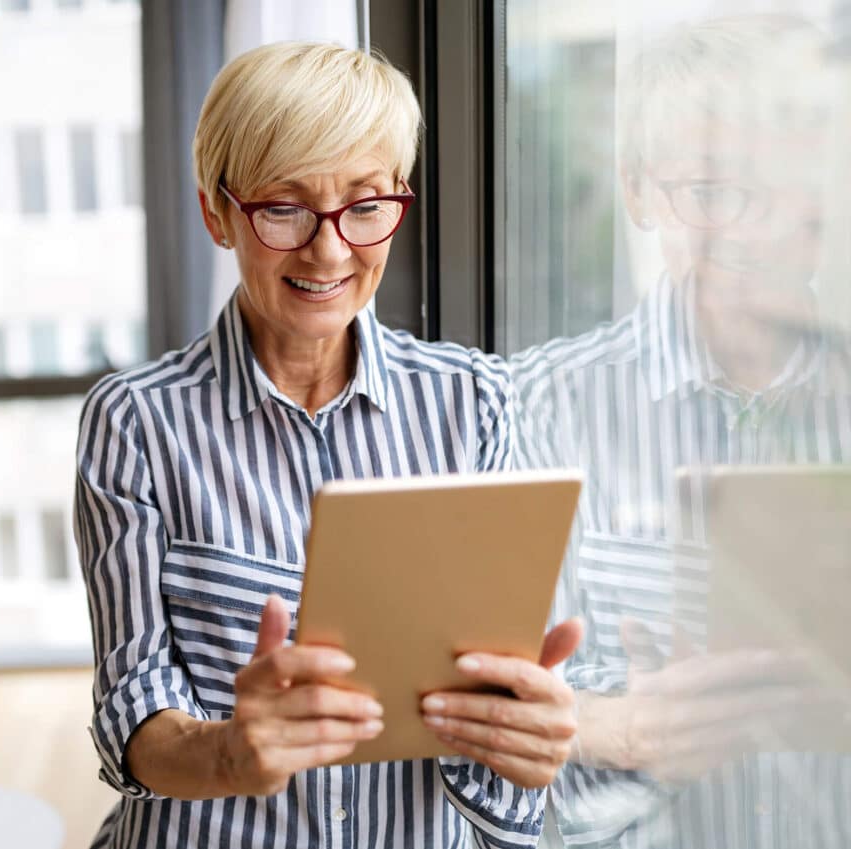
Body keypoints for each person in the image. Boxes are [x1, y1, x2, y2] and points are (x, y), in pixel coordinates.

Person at [74, 41, 582, 849]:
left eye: (366, 204)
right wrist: (230, 753)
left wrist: (528, 739)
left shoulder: (474, 402)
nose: (330, 249)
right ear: (217, 210)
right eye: (283, 208)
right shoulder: (136, 422)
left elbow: (503, 689)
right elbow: (131, 707)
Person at [507, 14, 851, 849]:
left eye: (781, 187)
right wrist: (614, 722)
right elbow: (489, 703)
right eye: (709, 192)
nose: (753, 229)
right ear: (637, 190)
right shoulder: (540, 406)